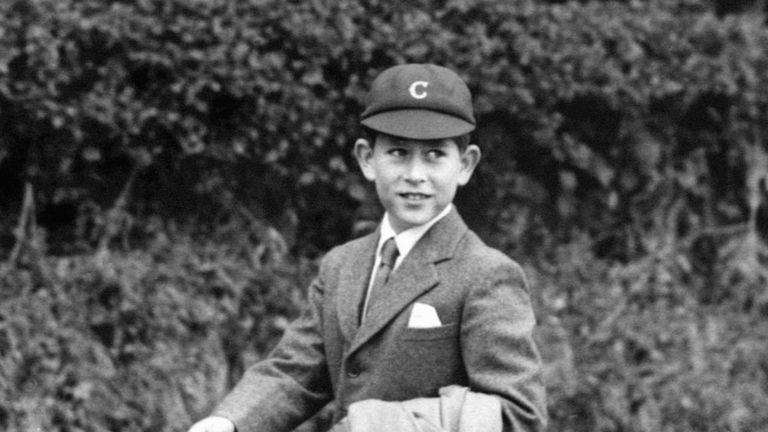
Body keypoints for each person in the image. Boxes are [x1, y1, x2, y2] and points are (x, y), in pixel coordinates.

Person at [188, 63, 547, 432]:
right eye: (398, 152)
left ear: (466, 165)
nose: (415, 174)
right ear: (366, 159)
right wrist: (226, 423)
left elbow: (517, 414)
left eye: (435, 155)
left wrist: (372, 425)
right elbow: (294, 372)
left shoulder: (486, 273)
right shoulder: (342, 264)